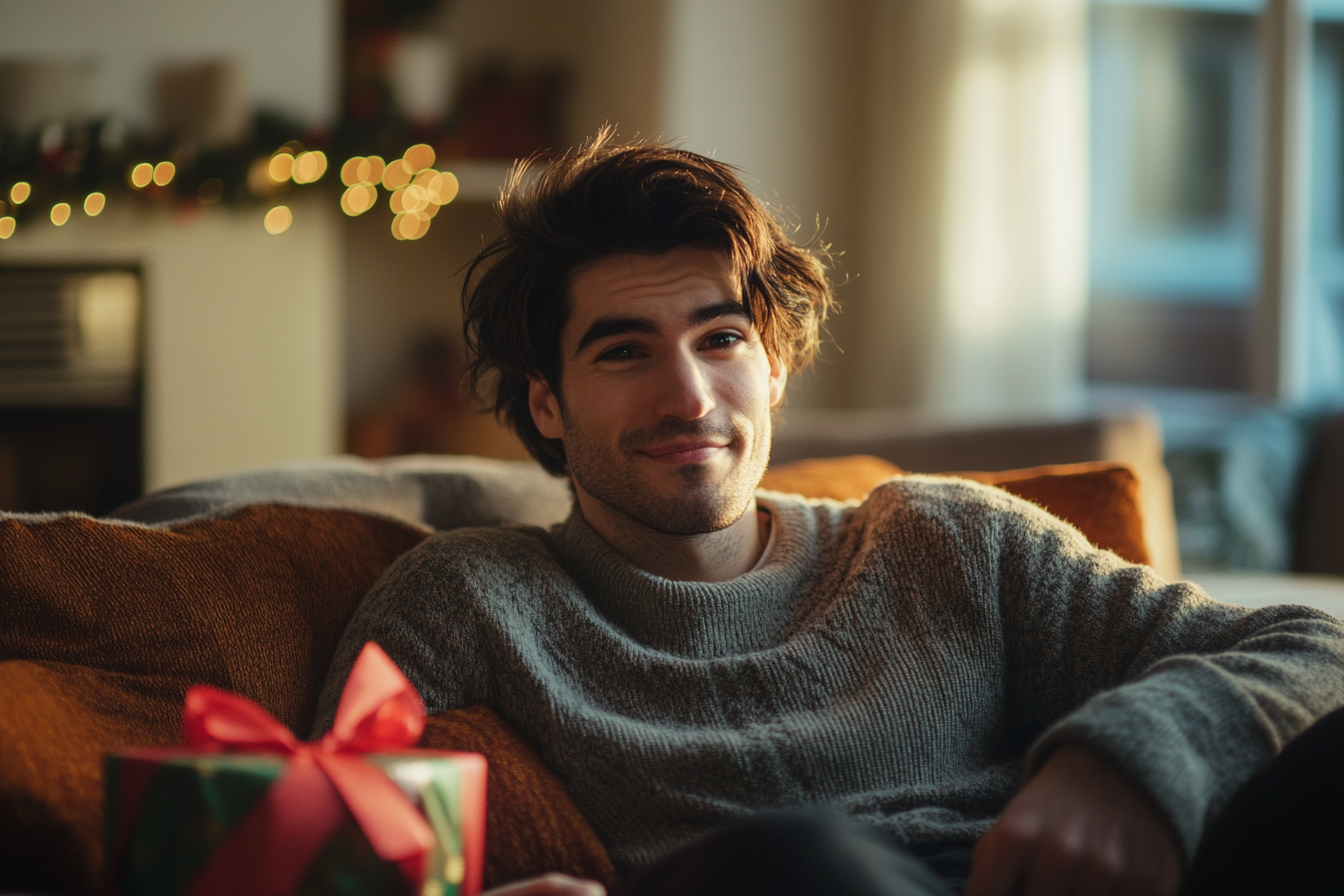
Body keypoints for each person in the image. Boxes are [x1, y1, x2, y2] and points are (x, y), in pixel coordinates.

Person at [314, 133, 1344, 896]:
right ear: (547, 400)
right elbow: (309, 841)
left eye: (720, 339)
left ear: (774, 365)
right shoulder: (468, 595)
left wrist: (1126, 760)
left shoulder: (949, 539)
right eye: (624, 351)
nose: (688, 397)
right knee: (794, 856)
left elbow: (1315, 646)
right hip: (779, 881)